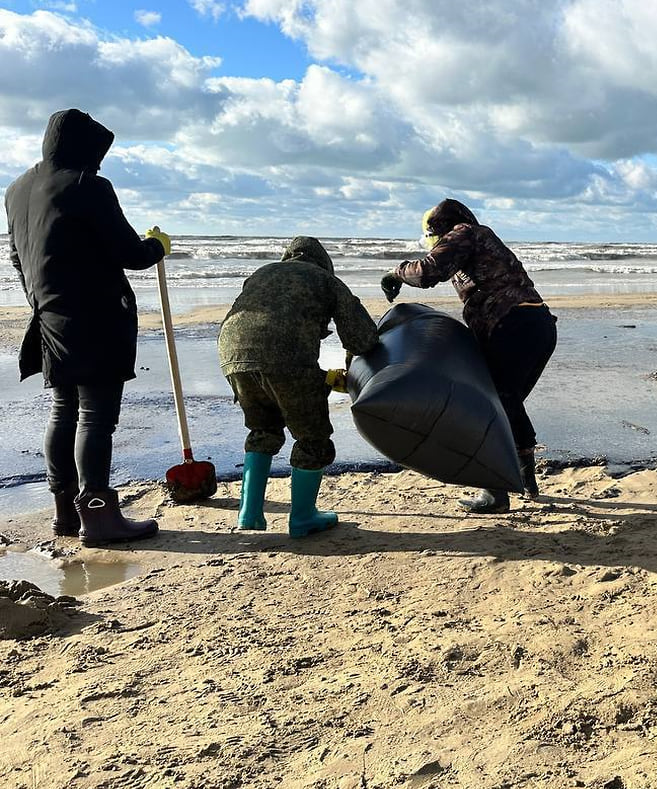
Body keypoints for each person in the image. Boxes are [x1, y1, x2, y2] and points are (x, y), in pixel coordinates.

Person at [5, 109, 170, 545]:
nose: (98, 165)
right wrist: (158, 245)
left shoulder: (16, 190)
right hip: (95, 317)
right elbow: (129, 253)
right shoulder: (88, 185)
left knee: (63, 411)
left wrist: (40, 301)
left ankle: (66, 514)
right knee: (96, 418)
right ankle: (98, 517)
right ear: (84, 149)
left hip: (49, 316)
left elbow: (18, 259)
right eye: (96, 156)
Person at [382, 199, 557, 513]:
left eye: (431, 236)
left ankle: (495, 493)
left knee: (490, 404)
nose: (431, 244)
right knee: (507, 401)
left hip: (511, 325)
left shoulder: (465, 233)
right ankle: (526, 480)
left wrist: (397, 273)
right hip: (537, 324)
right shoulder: (480, 239)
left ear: (441, 227)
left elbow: (427, 272)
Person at [218, 236, 379, 537]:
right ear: (324, 262)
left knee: (262, 430)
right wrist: (352, 371)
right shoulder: (324, 280)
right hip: (286, 357)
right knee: (313, 438)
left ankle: (249, 513)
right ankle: (303, 517)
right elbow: (362, 338)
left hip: (232, 355)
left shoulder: (262, 274)